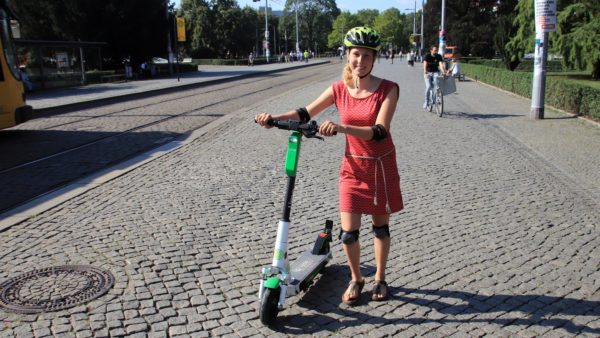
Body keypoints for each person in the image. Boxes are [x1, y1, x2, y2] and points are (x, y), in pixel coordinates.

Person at [256, 26, 403, 305]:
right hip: (352, 168)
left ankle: (381, 277)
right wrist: (272, 117)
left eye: (366, 56)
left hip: (380, 167)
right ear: (347, 55)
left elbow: (380, 131)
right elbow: (304, 113)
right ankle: (357, 278)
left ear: (374, 59)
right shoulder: (338, 89)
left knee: (380, 228)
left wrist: (341, 127)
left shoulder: (388, 89)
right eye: (355, 54)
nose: (360, 61)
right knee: (348, 234)